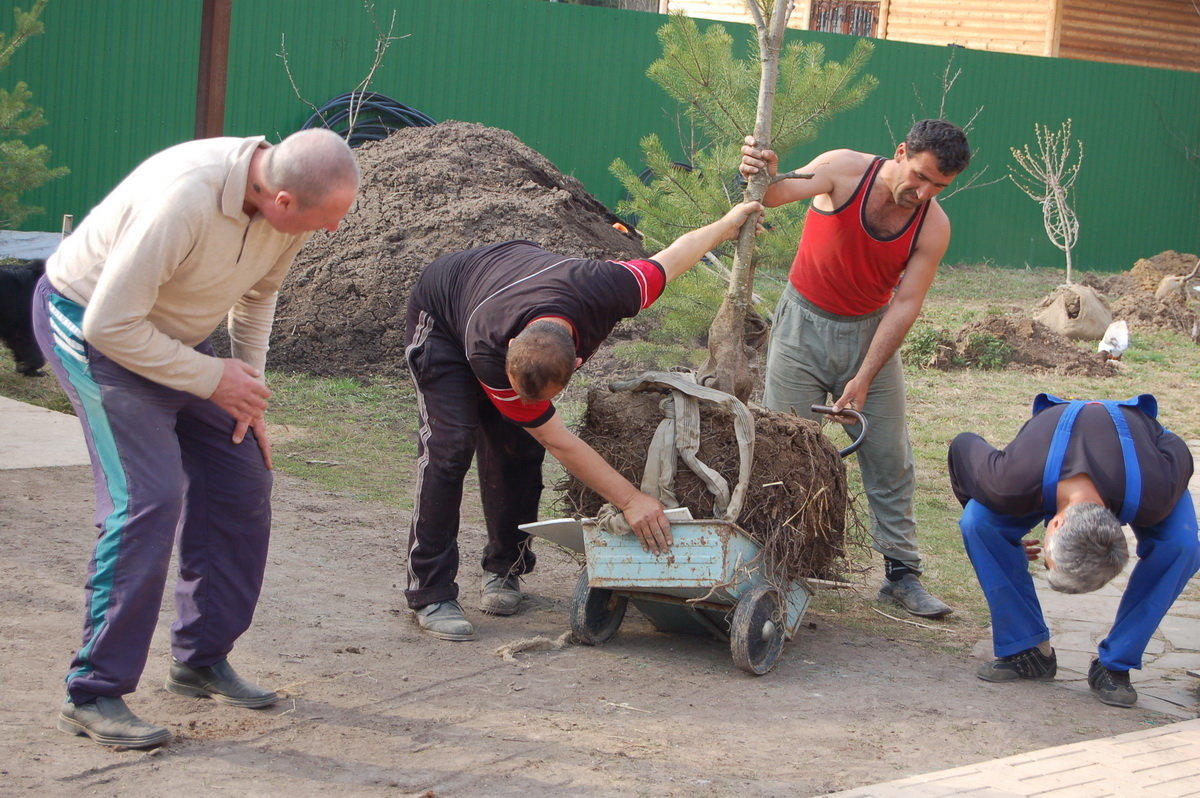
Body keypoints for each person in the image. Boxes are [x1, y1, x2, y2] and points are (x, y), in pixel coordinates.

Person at [32, 128, 361, 748]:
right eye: (325, 221)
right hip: (93, 329)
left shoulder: (279, 210)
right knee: (148, 499)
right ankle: (93, 691)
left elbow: (258, 297)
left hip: (175, 337)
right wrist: (213, 376)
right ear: (284, 200)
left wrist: (250, 393)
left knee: (243, 479)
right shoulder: (183, 197)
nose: (332, 233)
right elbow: (110, 323)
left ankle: (200, 658)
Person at [403, 201, 762, 641]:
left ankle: (504, 568)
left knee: (517, 445)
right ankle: (430, 591)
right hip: (444, 312)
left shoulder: (607, 288)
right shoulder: (488, 346)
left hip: (513, 276)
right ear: (511, 346)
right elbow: (561, 441)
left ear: (577, 360)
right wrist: (631, 500)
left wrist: (726, 225)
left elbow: (671, 258)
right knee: (450, 446)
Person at [739, 119, 970, 618]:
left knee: (889, 457)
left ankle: (901, 575)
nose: (924, 191)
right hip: (802, 326)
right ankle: (778, 564)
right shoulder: (844, 169)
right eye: (921, 176)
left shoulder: (933, 224)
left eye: (939, 186)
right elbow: (775, 195)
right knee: (785, 451)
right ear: (902, 151)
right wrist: (765, 170)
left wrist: (864, 376)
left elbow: (906, 303)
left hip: (871, 336)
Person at [950, 394, 1199, 707]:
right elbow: (963, 444)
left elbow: (1176, 448)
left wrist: (1145, 441)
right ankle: (1028, 650)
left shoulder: (1156, 493)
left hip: (1135, 456)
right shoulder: (1005, 481)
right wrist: (996, 533)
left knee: (1182, 545)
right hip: (1045, 453)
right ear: (1054, 525)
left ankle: (1116, 664)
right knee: (978, 522)